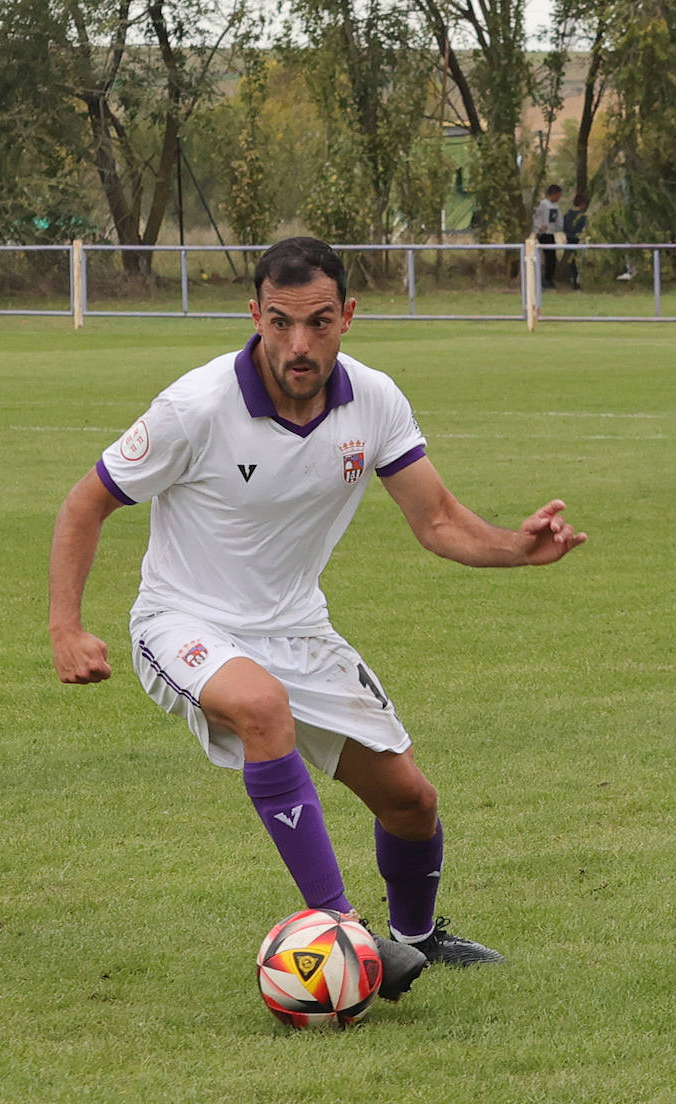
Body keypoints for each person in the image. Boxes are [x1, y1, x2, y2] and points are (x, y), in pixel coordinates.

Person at [48, 237, 586, 1001]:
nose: (300, 344)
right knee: (263, 708)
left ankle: (417, 936)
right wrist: (66, 627)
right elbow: (86, 502)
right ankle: (344, 928)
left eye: (319, 322)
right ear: (255, 315)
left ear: (349, 317)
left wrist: (516, 549)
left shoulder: (375, 400)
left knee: (412, 801)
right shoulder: (196, 407)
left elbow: (437, 520)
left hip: (297, 629)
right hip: (182, 619)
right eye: (281, 322)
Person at [532, 184, 564, 290]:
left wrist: (561, 227)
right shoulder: (543, 204)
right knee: (545, 256)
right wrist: (540, 227)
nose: (559, 197)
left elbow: (558, 219)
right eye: (558, 195)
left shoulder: (556, 206)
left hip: (551, 233)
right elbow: (536, 217)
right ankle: (544, 279)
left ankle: (549, 278)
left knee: (552, 257)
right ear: (553, 194)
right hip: (543, 234)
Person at [561, 193, 589, 290]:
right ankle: (577, 281)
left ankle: (573, 280)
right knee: (578, 261)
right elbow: (584, 229)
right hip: (578, 241)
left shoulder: (566, 215)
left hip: (569, 239)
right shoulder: (582, 217)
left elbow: (564, 228)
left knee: (572, 261)